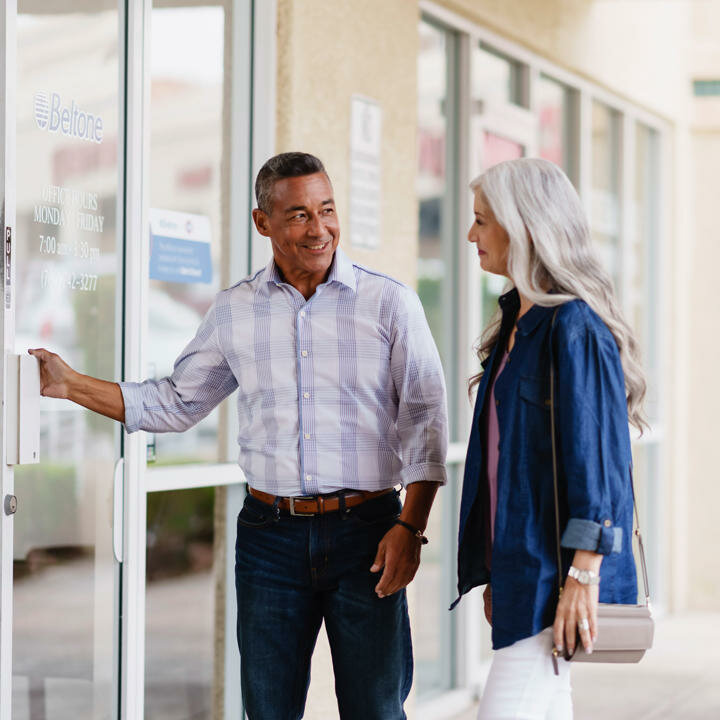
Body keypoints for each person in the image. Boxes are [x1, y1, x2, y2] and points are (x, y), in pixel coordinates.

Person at [30, 152, 448, 720]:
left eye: (326, 210)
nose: (319, 228)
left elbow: (426, 422)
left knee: (375, 709)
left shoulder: (390, 303)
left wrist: (410, 527)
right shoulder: (235, 311)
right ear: (263, 223)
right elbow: (176, 403)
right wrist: (72, 384)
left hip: (369, 535)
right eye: (298, 215)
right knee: (267, 711)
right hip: (269, 540)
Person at [453, 158, 646, 719]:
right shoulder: (517, 321)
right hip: (522, 573)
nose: (471, 235)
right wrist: (494, 570)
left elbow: (600, 465)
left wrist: (583, 575)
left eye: (482, 221)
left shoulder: (573, 327)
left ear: (523, 225)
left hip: (553, 579)